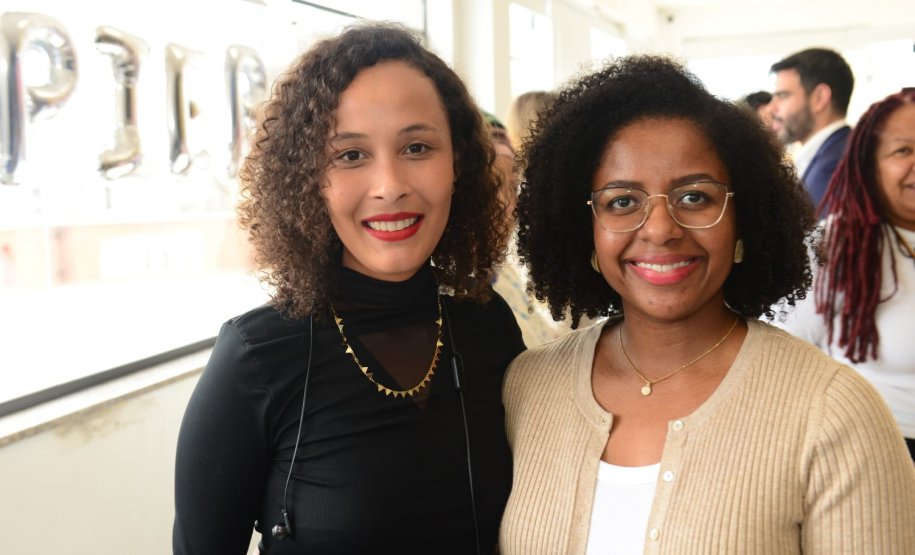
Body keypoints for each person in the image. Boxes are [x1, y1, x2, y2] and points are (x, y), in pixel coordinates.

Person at [498, 55, 915, 554]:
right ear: (582, 227)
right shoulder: (527, 387)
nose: (659, 228)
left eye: (695, 197)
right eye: (622, 201)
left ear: (746, 218)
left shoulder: (833, 411)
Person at [172, 24, 525, 555]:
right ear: (308, 178)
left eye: (418, 146)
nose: (390, 185)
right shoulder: (258, 357)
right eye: (351, 155)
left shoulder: (487, 323)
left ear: (459, 164)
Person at [777, 88, 915, 461]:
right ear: (870, 164)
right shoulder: (837, 245)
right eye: (904, 150)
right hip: (878, 451)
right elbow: (782, 350)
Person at [482, 110, 564, 347]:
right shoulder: (451, 294)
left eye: (514, 187)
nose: (514, 207)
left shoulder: (500, 272)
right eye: (494, 188)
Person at [769, 48, 855, 207]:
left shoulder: (835, 167)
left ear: (820, 98)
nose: (771, 108)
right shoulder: (837, 151)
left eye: (783, 96)